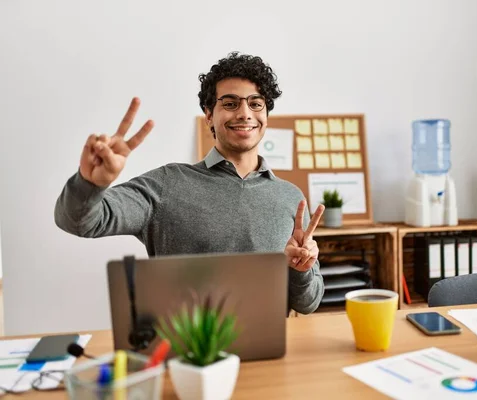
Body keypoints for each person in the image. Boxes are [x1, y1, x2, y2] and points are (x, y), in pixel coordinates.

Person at [54, 52, 325, 314]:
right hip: (187, 354)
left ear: (265, 115)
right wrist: (89, 184)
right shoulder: (166, 185)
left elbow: (308, 303)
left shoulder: (290, 197)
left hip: (269, 351)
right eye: (230, 103)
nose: (245, 113)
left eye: (255, 103)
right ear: (209, 114)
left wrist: (301, 270)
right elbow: (80, 221)